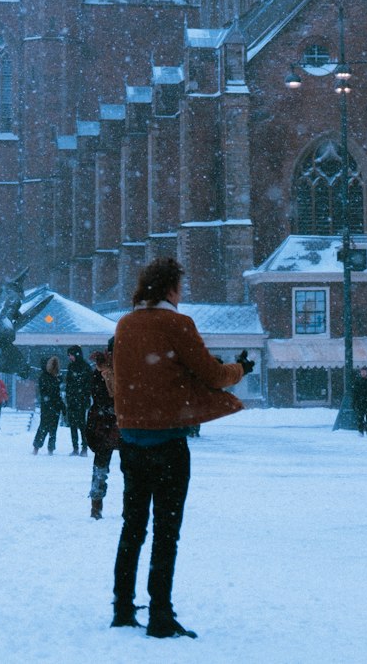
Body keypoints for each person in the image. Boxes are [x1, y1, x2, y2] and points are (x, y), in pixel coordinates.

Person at [111, 257, 250, 639]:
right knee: (165, 531)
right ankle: (160, 614)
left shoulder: (124, 325)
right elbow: (212, 374)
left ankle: (122, 607)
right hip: (168, 443)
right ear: (171, 288)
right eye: (179, 287)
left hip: (132, 443)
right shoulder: (177, 324)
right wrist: (240, 369)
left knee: (132, 527)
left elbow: (126, 379)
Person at [86, 342, 119, 519]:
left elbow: (94, 396)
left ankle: (96, 506)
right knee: (131, 467)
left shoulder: (100, 370)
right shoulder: (127, 370)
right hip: (121, 423)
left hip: (103, 424)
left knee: (100, 466)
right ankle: (132, 506)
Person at [65, 344, 93, 455]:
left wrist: (84, 397)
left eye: (71, 355)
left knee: (81, 424)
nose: (69, 357)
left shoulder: (84, 367)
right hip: (74, 399)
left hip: (80, 399)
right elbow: (69, 383)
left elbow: (88, 384)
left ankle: (83, 447)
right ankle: (76, 447)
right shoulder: (73, 367)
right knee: (74, 424)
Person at [32, 355, 64, 454]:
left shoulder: (47, 377)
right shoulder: (47, 377)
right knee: (47, 427)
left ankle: (42, 447)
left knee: (47, 427)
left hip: (50, 406)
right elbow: (50, 392)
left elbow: (51, 393)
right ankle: (42, 448)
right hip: (51, 406)